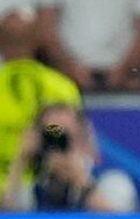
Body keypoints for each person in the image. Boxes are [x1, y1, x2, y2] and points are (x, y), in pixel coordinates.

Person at [0, 1, 81, 204]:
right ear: (37, 39)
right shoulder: (61, 86)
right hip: (27, 186)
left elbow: (65, 133)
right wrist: (46, 130)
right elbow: (63, 131)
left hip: (45, 181)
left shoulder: (59, 87)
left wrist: (39, 132)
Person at [4, 104, 139, 212]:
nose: (59, 148)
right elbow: (8, 218)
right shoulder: (34, 192)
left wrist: (82, 182)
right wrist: (21, 160)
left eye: (66, 138)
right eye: (52, 138)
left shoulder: (112, 182)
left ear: (84, 139)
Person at [38, 0, 140, 91]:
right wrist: (69, 66)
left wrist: (123, 70)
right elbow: (46, 26)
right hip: (65, 75)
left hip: (125, 76)